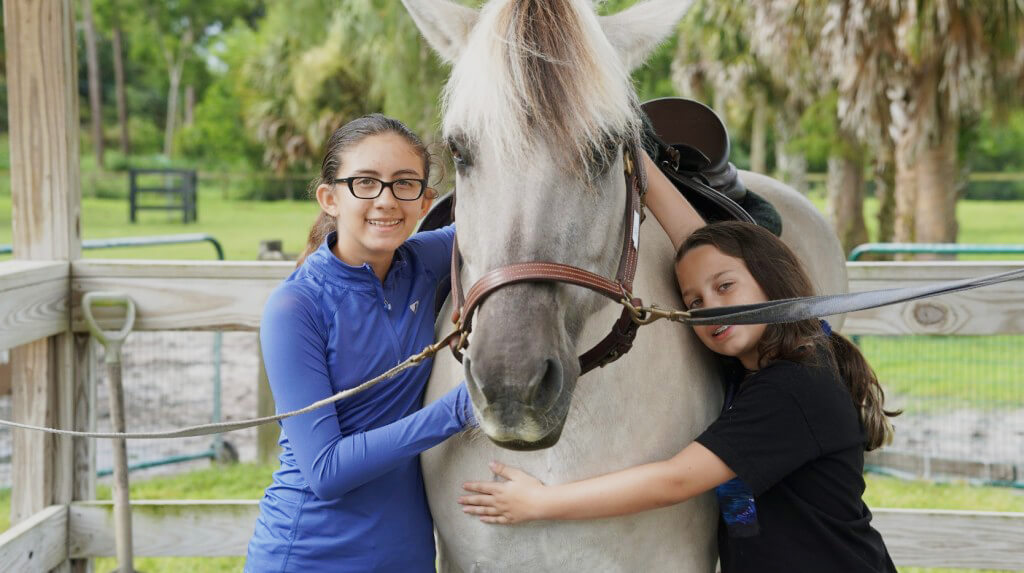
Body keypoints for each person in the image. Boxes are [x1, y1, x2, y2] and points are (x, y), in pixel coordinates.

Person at [458, 154, 899, 572]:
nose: (710, 308)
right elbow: (702, 246)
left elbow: (674, 481)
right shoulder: (765, 360)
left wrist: (539, 503)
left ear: (772, 282)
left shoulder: (793, 388)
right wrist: (635, 154)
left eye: (726, 288)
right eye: (694, 301)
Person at [245, 114, 474, 572]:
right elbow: (326, 471)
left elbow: (510, 214)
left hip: (405, 556)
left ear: (426, 200)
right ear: (330, 197)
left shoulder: (422, 262)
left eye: (404, 184)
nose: (386, 200)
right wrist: (462, 408)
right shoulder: (295, 307)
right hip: (309, 555)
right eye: (365, 182)